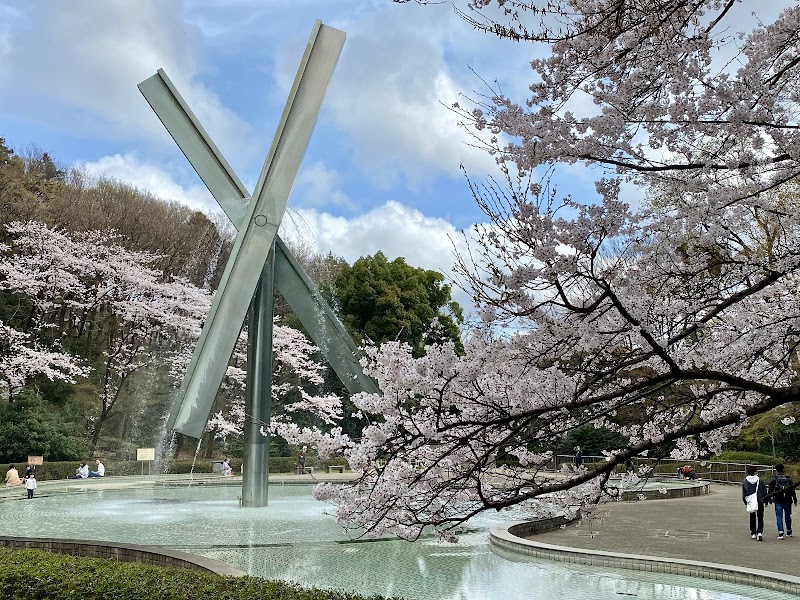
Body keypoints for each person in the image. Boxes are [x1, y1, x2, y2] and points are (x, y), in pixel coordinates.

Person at [767, 463, 797, 540]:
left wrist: (769, 499)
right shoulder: (788, 479)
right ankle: (789, 531)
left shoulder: (774, 479)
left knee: (779, 516)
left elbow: (770, 490)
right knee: (788, 515)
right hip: (788, 499)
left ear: (776, 470)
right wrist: (795, 500)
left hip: (778, 499)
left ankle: (780, 532)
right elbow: (792, 490)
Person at [742, 465, 768, 541]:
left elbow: (744, 493)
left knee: (752, 516)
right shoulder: (760, 480)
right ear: (756, 472)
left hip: (750, 501)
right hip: (759, 500)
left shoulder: (745, 481)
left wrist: (745, 502)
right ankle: (759, 532)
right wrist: (766, 501)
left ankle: (753, 532)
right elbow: (764, 491)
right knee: (760, 517)